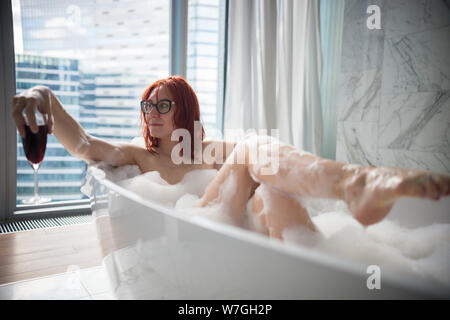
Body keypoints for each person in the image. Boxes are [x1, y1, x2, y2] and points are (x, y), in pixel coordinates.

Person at [11, 76, 450, 240]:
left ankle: (323, 253)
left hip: (232, 228)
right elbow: (85, 145)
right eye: (149, 105)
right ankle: (354, 183)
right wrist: (46, 99)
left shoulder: (207, 151)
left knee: (272, 192)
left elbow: (261, 171)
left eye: (164, 105)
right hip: (198, 229)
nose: (154, 113)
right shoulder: (136, 156)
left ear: (184, 111)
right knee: (253, 146)